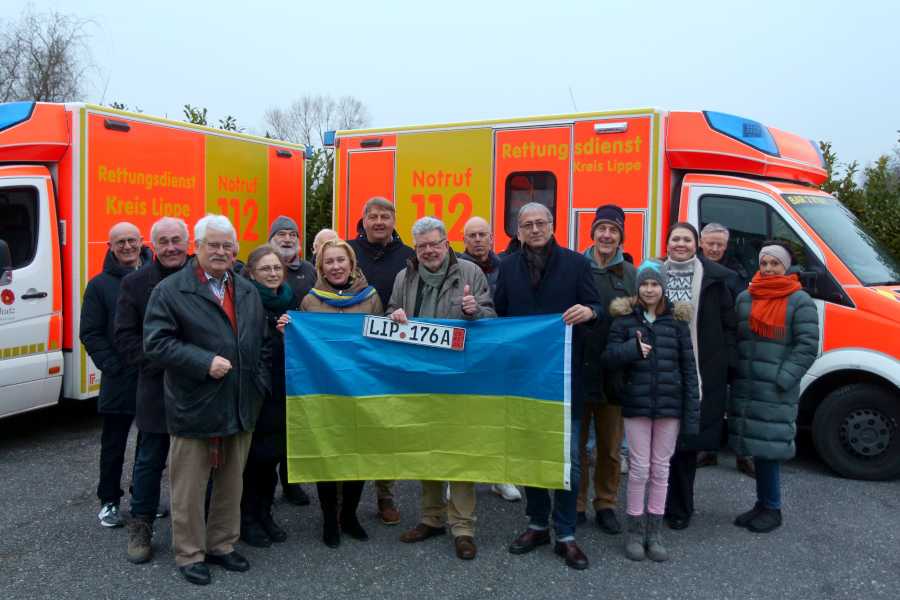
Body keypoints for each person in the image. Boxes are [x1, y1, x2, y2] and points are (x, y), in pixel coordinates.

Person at [144, 214, 270, 586]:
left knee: (231, 482)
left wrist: (258, 384)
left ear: (235, 250)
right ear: (196, 247)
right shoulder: (170, 291)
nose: (220, 251)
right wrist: (203, 362)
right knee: (189, 486)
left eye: (227, 245)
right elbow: (156, 343)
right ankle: (189, 553)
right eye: (212, 244)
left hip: (240, 401)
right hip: (194, 403)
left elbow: (261, 343)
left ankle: (222, 544)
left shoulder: (246, 290)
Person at [494, 202, 601, 570]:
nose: (535, 229)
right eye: (528, 224)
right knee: (531, 453)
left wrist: (590, 312)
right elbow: (500, 316)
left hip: (565, 378)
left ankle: (566, 533)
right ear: (518, 231)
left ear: (553, 226)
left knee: (568, 459)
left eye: (541, 223)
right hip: (524, 378)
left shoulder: (577, 263)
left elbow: (596, 306)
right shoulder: (505, 267)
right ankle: (537, 524)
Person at [382, 216, 494, 560]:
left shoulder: (471, 273)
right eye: (422, 246)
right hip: (420, 377)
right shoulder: (405, 276)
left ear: (447, 243)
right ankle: (431, 518)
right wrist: (394, 316)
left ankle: (463, 527)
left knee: (460, 451)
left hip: (460, 378)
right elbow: (389, 313)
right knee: (427, 447)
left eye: (435, 243)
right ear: (416, 249)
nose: (429, 250)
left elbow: (492, 319)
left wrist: (476, 312)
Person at [603, 260, 700, 562]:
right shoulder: (624, 322)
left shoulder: (677, 323)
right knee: (639, 469)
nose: (649, 289)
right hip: (637, 406)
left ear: (663, 287)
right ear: (637, 288)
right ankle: (635, 530)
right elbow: (608, 358)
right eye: (644, 284)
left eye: (654, 284)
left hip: (670, 407)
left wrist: (692, 413)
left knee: (661, 469)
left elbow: (688, 369)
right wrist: (632, 351)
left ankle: (654, 532)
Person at [292, 238, 384, 548]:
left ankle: (350, 515)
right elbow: (302, 346)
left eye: (340, 261)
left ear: (351, 264)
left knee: (359, 454)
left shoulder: (371, 298)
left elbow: (381, 343)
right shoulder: (309, 301)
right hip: (324, 391)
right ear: (321, 267)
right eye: (329, 262)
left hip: (360, 389)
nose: (335, 266)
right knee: (327, 456)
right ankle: (329, 517)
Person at [729, 243, 818, 533]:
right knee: (756, 446)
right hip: (748, 385)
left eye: (775, 263)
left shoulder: (799, 300)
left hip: (775, 388)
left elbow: (807, 346)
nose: (768, 268)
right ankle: (761, 504)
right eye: (764, 263)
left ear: (786, 266)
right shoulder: (746, 297)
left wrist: (784, 378)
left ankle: (773, 508)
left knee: (769, 450)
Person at [114, 217, 189, 563]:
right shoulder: (134, 283)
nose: (171, 247)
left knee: (201, 461)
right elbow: (125, 337)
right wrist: (161, 361)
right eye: (164, 241)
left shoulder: (203, 278)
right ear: (153, 245)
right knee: (149, 460)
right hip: (156, 387)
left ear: (188, 242)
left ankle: (197, 525)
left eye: (177, 240)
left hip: (199, 388)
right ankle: (141, 523)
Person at [661, 222, 737, 531]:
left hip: (701, 370)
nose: (680, 244)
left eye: (686, 239)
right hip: (664, 369)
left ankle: (681, 507)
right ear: (667, 244)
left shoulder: (718, 280)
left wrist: (727, 364)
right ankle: (657, 505)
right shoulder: (652, 274)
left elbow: (730, 327)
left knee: (687, 444)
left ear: (697, 245)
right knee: (661, 443)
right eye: (675, 238)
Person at [347, 196, 415, 525]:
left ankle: (385, 494)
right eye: (372, 216)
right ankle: (347, 498)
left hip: (394, 352)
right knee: (352, 422)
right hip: (352, 353)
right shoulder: (346, 251)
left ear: (393, 220)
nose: (378, 222)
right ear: (363, 219)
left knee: (388, 423)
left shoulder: (409, 257)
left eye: (385, 217)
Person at [80, 221, 151, 528]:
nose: (126, 246)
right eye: (119, 242)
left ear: (141, 242)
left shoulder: (154, 279)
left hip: (151, 375)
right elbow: (91, 333)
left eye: (131, 240)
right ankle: (109, 501)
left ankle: (142, 497)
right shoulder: (99, 286)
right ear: (110, 247)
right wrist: (112, 366)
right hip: (120, 377)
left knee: (150, 444)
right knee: (114, 444)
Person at [578, 204, 637, 534]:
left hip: (614, 374)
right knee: (577, 446)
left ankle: (606, 504)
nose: (606, 235)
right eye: (601, 228)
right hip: (580, 368)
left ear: (620, 237)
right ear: (592, 232)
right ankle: (576, 504)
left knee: (610, 448)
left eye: (613, 230)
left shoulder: (631, 274)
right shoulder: (575, 266)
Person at [457, 215, 520, 503]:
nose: (478, 239)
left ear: (493, 238)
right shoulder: (453, 268)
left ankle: (500, 477)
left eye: (483, 234)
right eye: (472, 235)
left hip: (498, 351)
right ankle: (457, 477)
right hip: (463, 353)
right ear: (464, 239)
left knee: (498, 416)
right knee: (461, 419)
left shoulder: (507, 268)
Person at [239, 245, 299, 548]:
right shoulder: (245, 301)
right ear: (251, 273)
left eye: (277, 267)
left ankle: (265, 514)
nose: (273, 273)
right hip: (255, 392)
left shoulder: (287, 299)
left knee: (272, 457)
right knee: (254, 461)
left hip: (282, 391)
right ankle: (247, 519)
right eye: (265, 269)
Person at [698, 222, 755, 477]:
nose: (714, 248)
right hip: (702, 344)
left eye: (719, 244)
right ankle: (707, 449)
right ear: (700, 243)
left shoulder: (735, 273)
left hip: (730, 343)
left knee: (736, 402)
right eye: (710, 243)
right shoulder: (693, 268)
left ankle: (743, 454)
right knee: (706, 402)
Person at [267, 215, 315, 506]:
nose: (287, 239)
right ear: (270, 239)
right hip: (268, 359)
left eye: (292, 234)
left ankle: (291, 483)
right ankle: (266, 485)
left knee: (293, 427)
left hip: (301, 362)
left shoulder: (309, 271)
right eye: (281, 234)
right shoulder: (258, 267)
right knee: (268, 429)